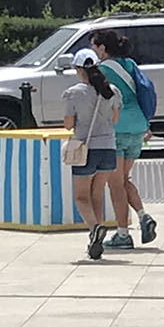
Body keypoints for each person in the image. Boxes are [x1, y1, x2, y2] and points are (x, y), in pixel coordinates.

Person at [89, 29, 156, 247]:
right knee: (124, 179)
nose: (94, 52)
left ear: (102, 48)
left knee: (115, 185)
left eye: (95, 47)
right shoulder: (130, 65)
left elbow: (97, 103)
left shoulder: (100, 71)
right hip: (137, 126)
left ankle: (123, 235)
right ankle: (143, 216)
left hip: (116, 129)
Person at [62, 49, 122, 262]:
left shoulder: (73, 93)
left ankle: (95, 228)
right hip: (108, 148)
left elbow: (68, 124)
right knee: (97, 194)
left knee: (81, 196)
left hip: (86, 149)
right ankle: (94, 241)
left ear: (79, 70)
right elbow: (115, 119)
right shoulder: (112, 90)